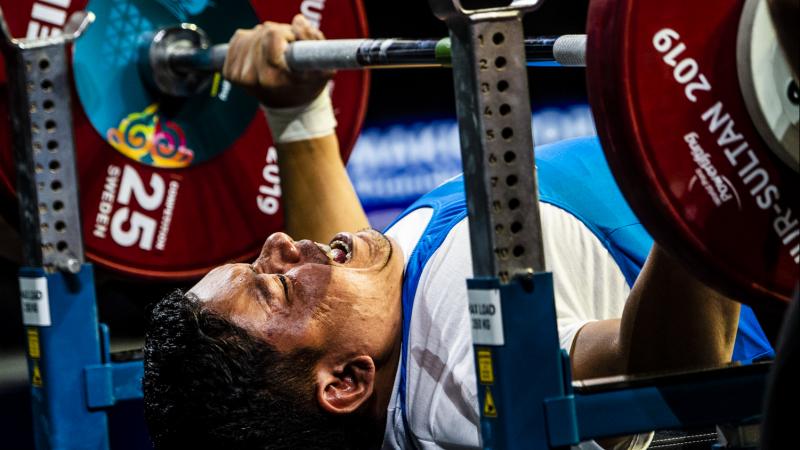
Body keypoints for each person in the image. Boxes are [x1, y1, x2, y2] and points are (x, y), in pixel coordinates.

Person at [142, 15, 772, 450]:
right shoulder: (470, 389)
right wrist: (714, 138)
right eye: (271, 288)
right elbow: (668, 372)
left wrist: (295, 111)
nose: (279, 246)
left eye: (253, 264)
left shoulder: (381, 340)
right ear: (345, 383)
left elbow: (333, 289)